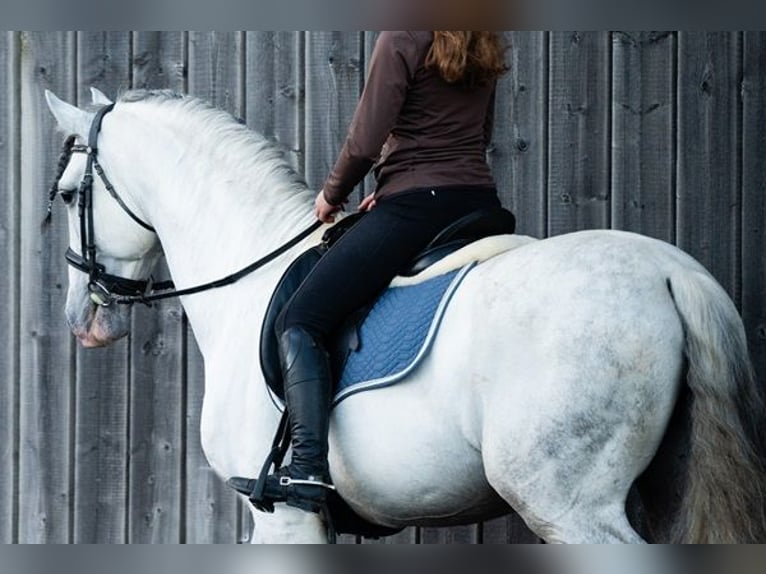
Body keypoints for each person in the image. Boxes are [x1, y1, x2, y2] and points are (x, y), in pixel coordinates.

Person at [229, 31, 509, 514]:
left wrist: (332, 195)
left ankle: (309, 469)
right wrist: (396, 181)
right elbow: (479, 135)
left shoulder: (403, 33)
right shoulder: (485, 36)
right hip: (476, 200)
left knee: (300, 319)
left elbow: (365, 138)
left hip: (418, 207)